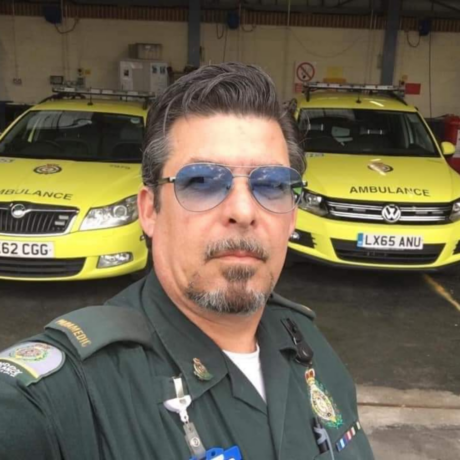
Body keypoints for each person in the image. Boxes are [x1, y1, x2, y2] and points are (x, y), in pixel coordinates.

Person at [0, 63, 374, 460]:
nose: (244, 210)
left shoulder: (308, 343)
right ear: (150, 211)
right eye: (202, 182)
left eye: (272, 185)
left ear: (292, 217)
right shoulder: (70, 394)